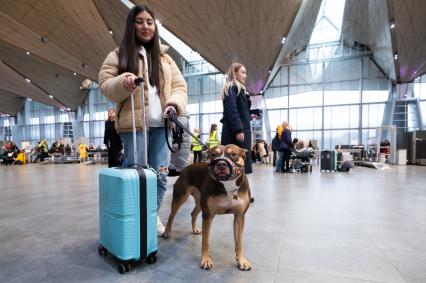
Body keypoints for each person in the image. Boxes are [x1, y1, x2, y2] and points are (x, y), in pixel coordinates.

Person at [98, 4, 187, 236]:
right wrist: (122, 83)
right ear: (131, 25)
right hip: (133, 125)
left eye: (150, 22)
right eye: (140, 21)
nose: (145, 26)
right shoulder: (118, 55)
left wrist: (173, 104)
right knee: (134, 174)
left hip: (162, 126)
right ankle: (133, 216)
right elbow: (106, 85)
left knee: (159, 174)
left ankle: (151, 215)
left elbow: (179, 86)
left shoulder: (166, 58)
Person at [220, 62, 255, 174]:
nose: (245, 75)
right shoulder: (232, 87)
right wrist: (238, 129)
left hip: (241, 130)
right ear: (235, 73)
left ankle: (238, 189)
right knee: (235, 164)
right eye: (243, 72)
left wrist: (249, 116)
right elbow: (231, 109)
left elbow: (239, 110)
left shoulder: (239, 89)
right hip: (236, 133)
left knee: (238, 166)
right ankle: (235, 190)